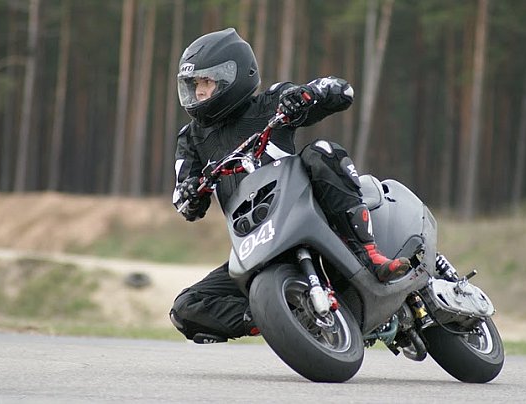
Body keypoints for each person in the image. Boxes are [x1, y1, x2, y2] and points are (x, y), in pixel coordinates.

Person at [169, 28, 410, 344]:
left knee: (321, 151)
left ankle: (368, 253)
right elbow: (185, 201)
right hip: (256, 242)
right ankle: (278, 315)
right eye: (195, 84)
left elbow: (341, 91)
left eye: (206, 82)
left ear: (233, 77)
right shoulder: (191, 138)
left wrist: (306, 96)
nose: (199, 92)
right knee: (186, 308)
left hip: (306, 214)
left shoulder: (270, 103)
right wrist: (189, 193)